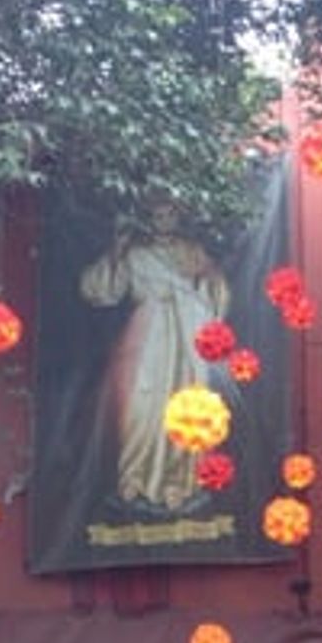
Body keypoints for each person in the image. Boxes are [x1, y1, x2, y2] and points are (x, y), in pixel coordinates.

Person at [80, 194, 230, 512]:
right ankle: (134, 476)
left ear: (178, 216)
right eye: (157, 213)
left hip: (188, 334)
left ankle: (180, 481)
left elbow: (216, 294)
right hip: (146, 335)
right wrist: (117, 251)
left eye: (170, 213)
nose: (163, 219)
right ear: (147, 217)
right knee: (139, 406)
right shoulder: (134, 254)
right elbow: (100, 291)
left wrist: (207, 279)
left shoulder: (193, 252)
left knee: (187, 406)